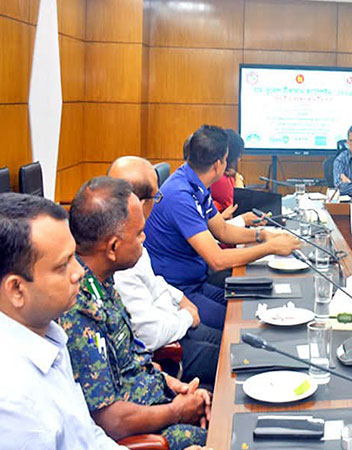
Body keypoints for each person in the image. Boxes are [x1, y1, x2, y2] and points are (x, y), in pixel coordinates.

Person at [59, 177, 213, 449]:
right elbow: (109, 420)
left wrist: (174, 387)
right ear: (113, 247)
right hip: (146, 431)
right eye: (139, 233)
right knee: (232, 432)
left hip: (157, 401)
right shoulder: (79, 308)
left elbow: (130, 362)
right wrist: (177, 411)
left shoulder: (102, 282)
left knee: (224, 403)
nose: (144, 238)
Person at [144, 125, 301, 329]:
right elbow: (217, 260)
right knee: (240, 325)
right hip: (179, 292)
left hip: (197, 282)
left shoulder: (193, 181)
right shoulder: (180, 196)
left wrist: (262, 235)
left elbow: (223, 231)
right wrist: (270, 248)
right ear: (218, 164)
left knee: (250, 308)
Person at [0, 193, 124, 448]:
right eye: (62, 266)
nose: (79, 272)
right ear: (16, 289)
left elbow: (87, 436)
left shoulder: (46, 334)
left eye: (74, 257)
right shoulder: (14, 401)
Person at [108, 156, 221, 387]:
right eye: (156, 197)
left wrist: (181, 299)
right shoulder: (119, 254)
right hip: (170, 346)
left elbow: (154, 281)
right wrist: (187, 316)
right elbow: (150, 334)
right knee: (234, 357)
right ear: (139, 203)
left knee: (234, 342)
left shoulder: (132, 237)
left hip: (176, 319)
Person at [210, 129, 245, 219]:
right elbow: (239, 205)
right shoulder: (220, 178)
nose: (239, 159)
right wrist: (238, 178)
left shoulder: (228, 174)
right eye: (238, 155)